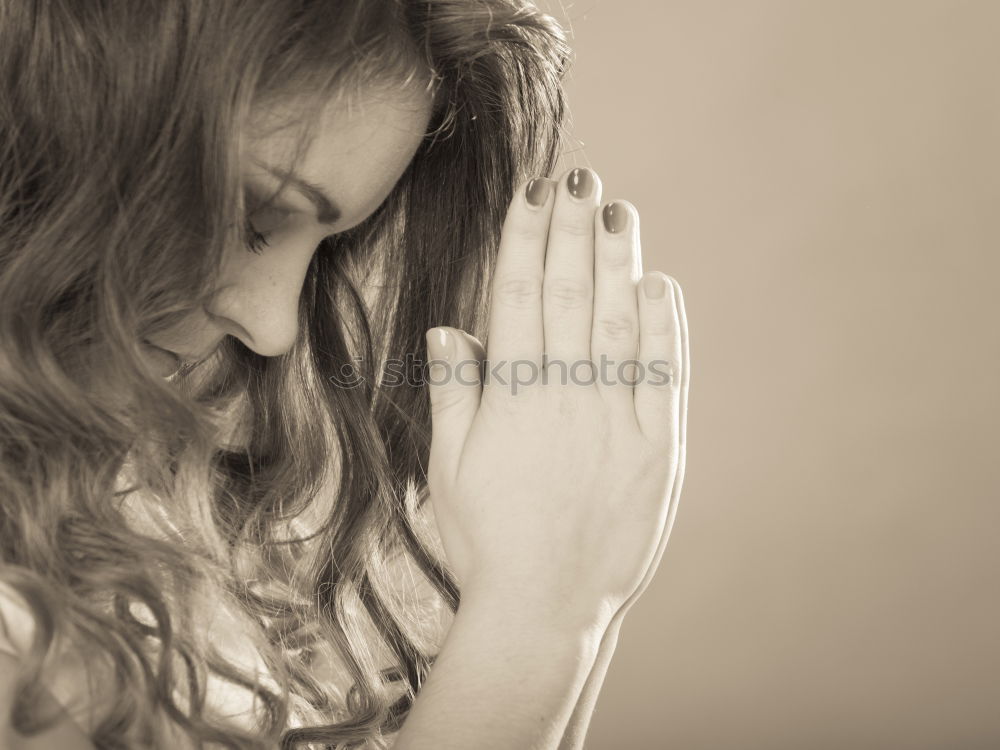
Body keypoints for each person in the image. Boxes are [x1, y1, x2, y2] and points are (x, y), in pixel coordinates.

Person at [0, 0, 690, 748]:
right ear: (65, 110)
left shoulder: (164, 513)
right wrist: (543, 611)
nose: (276, 327)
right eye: (254, 220)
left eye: (327, 248)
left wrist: (579, 589)